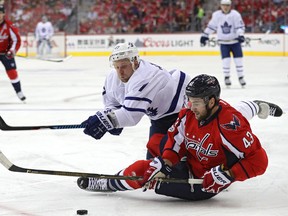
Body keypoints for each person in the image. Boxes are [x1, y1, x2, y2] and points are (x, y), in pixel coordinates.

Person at [77, 74, 269, 201]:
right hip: (191, 161)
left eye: (196, 103)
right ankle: (253, 105)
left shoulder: (229, 124)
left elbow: (259, 160)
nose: (190, 107)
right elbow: (175, 142)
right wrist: (165, 162)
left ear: (211, 101)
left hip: (203, 182)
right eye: (189, 101)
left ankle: (108, 183)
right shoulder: (189, 113)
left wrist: (229, 175)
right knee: (154, 150)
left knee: (145, 174)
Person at [81, 41, 283, 160]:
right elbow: (113, 106)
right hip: (161, 116)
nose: (120, 71)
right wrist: (109, 121)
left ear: (135, 61)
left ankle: (253, 105)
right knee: (157, 161)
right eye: (116, 66)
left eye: (123, 65)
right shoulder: (112, 77)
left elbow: (131, 117)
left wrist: (104, 120)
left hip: (185, 108)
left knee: (225, 124)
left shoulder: (145, 75)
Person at [200, 0, 246, 87]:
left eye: (227, 5)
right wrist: (205, 35)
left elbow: (239, 26)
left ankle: (241, 77)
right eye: (224, 5)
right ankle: (227, 77)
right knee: (226, 61)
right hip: (224, 43)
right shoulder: (216, 15)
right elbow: (211, 26)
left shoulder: (235, 14)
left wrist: (240, 35)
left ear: (230, 6)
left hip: (235, 42)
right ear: (221, 6)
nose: (225, 7)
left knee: (238, 60)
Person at [0, 5, 26, 101]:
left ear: (3, 14)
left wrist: (12, 50)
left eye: (0, 13)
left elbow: (16, 41)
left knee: (12, 72)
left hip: (6, 53)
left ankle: (19, 91)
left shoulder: (9, 25)